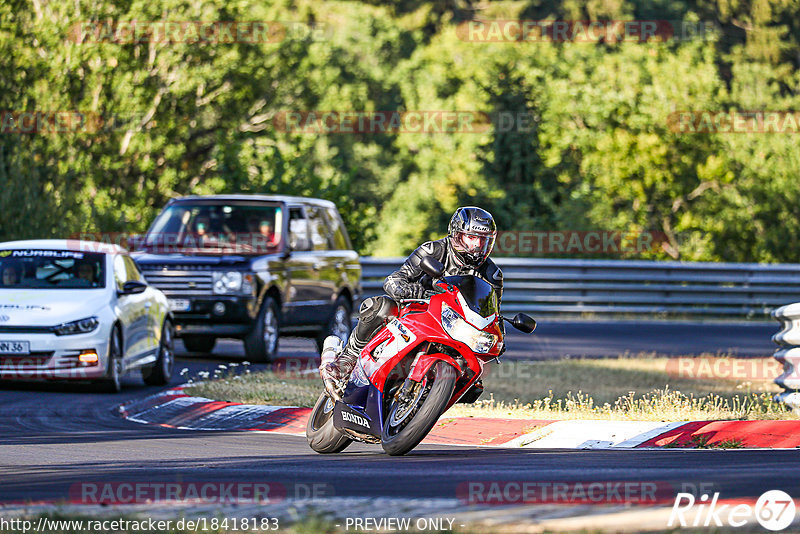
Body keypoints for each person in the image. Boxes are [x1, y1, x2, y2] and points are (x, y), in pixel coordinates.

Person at [320, 206, 504, 400]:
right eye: (472, 237)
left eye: (484, 240)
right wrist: (407, 289)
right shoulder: (433, 250)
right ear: (457, 234)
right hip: (417, 312)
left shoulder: (491, 274)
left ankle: (430, 397)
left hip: (454, 327)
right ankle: (347, 360)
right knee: (380, 306)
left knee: (473, 379)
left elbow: (492, 313)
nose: (478, 245)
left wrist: (498, 335)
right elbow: (394, 279)